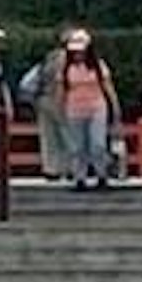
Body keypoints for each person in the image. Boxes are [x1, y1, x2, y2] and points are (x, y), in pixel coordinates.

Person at [46, 25, 119, 192]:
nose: (78, 54)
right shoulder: (65, 68)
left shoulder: (98, 66)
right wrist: (58, 109)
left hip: (96, 107)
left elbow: (108, 87)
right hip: (74, 109)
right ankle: (80, 177)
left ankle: (102, 175)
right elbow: (61, 90)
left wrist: (114, 106)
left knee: (97, 144)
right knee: (77, 146)